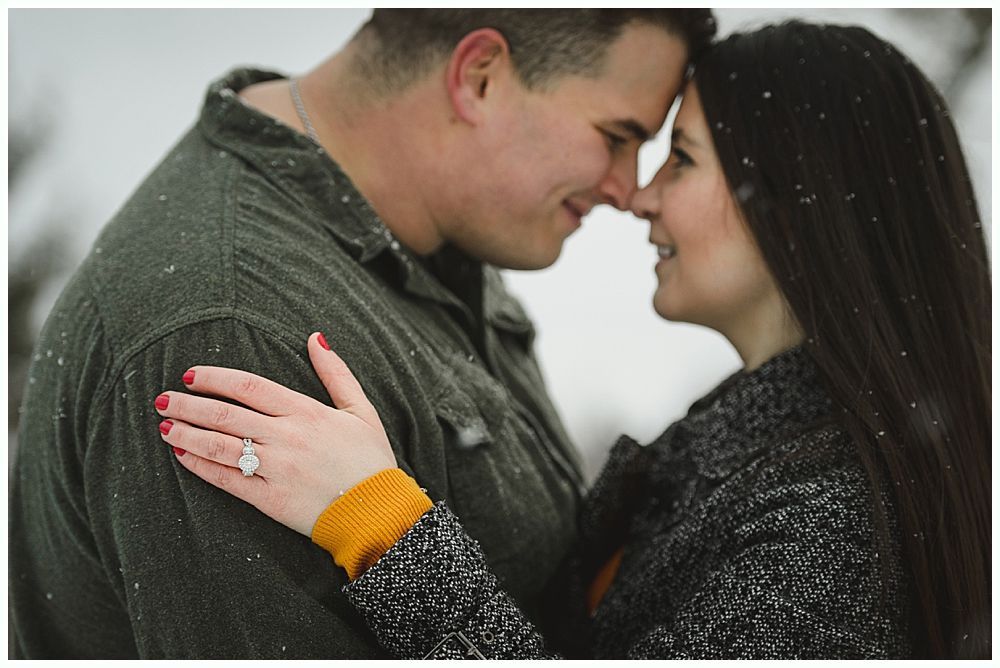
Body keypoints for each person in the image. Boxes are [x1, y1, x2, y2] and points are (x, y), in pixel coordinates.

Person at [154, 20, 991, 659]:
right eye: (632, 145)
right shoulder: (749, 450)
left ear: (799, 205)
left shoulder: (831, 531)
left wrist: (381, 527)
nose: (641, 196)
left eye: (681, 160)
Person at [9, 10, 718, 659]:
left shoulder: (437, 221)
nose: (629, 188)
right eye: (617, 137)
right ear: (480, 77)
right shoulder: (236, 331)